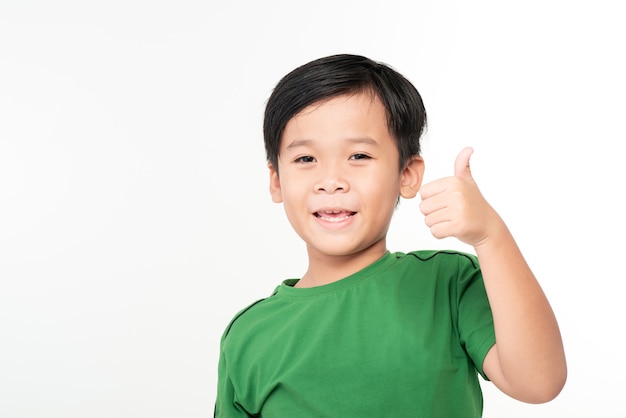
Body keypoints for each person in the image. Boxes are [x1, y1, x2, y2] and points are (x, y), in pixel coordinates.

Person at [214, 54, 567, 417]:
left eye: (359, 155)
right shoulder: (250, 335)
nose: (331, 181)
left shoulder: (446, 285)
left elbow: (538, 382)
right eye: (306, 159)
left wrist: (491, 236)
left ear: (407, 174)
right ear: (276, 180)